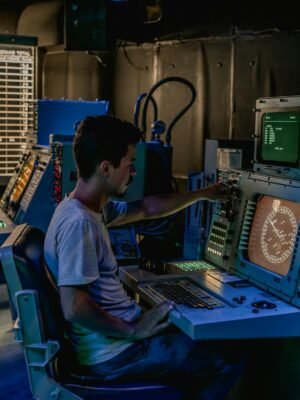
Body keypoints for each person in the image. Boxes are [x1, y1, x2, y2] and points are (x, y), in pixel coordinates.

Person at [44, 115, 245, 399]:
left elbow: (147, 208)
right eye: (129, 164)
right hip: (117, 354)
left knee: (200, 335)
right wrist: (133, 330)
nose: (134, 173)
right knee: (230, 354)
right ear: (105, 168)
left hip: (118, 343)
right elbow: (74, 307)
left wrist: (203, 194)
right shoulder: (80, 224)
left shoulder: (84, 208)